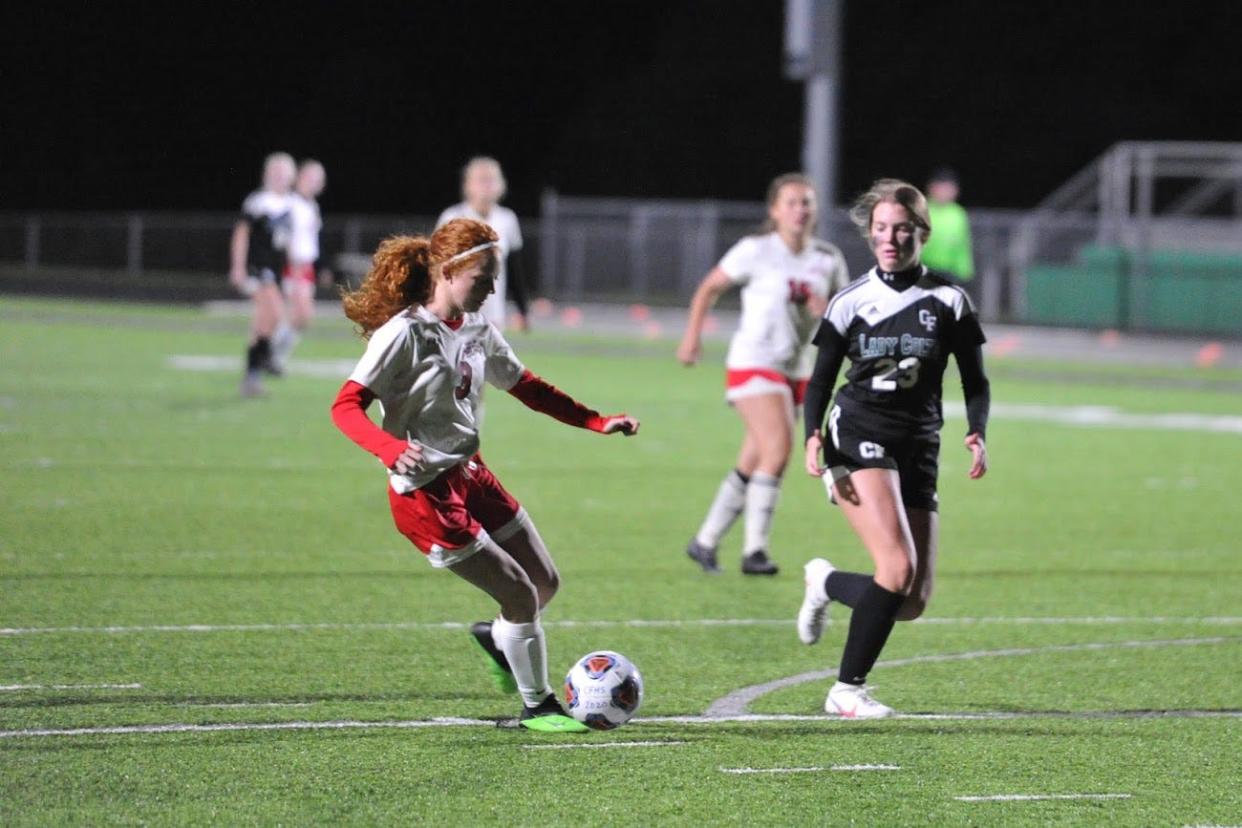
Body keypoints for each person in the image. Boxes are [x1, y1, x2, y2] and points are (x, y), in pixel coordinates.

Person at [330, 218, 639, 732]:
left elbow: (527, 386)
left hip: (470, 473)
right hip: (425, 494)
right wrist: (389, 448)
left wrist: (595, 420)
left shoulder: (477, 327)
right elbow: (345, 407)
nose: (494, 287)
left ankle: (498, 639)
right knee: (518, 593)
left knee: (544, 582)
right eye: (485, 277)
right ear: (449, 272)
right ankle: (537, 707)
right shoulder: (403, 334)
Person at [797, 179, 991, 718]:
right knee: (895, 564)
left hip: (919, 442)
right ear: (870, 234)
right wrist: (813, 434)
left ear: (920, 233)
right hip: (857, 429)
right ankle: (846, 690)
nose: (889, 238)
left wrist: (977, 429)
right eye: (881, 229)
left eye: (901, 229)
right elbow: (820, 380)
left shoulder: (949, 299)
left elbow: (975, 379)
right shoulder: (852, 300)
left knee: (911, 601)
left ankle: (826, 581)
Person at [678, 173, 849, 576]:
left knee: (753, 459)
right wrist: (692, 338)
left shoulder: (828, 257)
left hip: (798, 370)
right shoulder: (755, 250)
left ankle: (704, 542)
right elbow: (708, 289)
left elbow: (845, 315)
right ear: (774, 210)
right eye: (791, 202)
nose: (800, 210)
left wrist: (826, 311)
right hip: (754, 362)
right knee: (778, 450)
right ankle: (755, 552)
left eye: (807, 202)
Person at [436, 157, 530, 332]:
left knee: (487, 358)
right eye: (481, 180)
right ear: (467, 185)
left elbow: (515, 268)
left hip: (493, 312)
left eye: (492, 179)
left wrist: (522, 310)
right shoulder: (451, 217)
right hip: (456, 311)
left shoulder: (507, 219)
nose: (486, 185)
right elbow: (435, 266)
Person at [229, 152, 296, 397]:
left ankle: (251, 376)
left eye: (284, 172)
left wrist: (289, 275)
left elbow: (286, 243)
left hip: (276, 272)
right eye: (275, 172)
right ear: (267, 174)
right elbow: (241, 234)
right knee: (275, 315)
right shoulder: (258, 201)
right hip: (258, 268)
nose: (279, 177)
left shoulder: (290, 204)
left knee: (263, 323)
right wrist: (237, 266)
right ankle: (264, 360)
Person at [270, 159, 329, 372]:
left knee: (301, 318)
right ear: (300, 178)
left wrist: (321, 267)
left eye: (318, 179)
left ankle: (273, 356)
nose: (314, 182)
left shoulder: (311, 206)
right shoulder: (291, 203)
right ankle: (270, 355)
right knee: (300, 314)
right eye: (310, 177)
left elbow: (311, 241)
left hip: (307, 267)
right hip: (293, 266)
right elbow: (283, 238)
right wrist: (293, 267)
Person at [920, 168, 975, 286]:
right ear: (931, 188)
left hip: (949, 271)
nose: (945, 192)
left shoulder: (958, 214)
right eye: (941, 188)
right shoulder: (921, 210)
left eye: (949, 189)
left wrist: (965, 271)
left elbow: (963, 245)